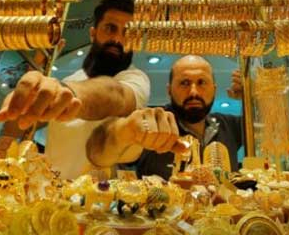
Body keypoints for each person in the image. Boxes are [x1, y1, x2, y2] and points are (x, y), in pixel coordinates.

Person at [0, 0, 150, 179]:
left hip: (99, 202)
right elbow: (20, 125)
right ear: (93, 33)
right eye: (110, 28)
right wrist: (18, 108)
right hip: (51, 198)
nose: (117, 39)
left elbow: (115, 95)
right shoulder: (70, 80)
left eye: (127, 33)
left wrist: (67, 93)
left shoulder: (136, 79)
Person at [86, 55, 243, 179]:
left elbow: (265, 134)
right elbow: (98, 156)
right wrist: (124, 131)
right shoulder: (153, 125)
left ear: (214, 89)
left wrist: (251, 98)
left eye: (201, 82)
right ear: (169, 90)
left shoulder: (230, 126)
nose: (194, 92)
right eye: (184, 83)